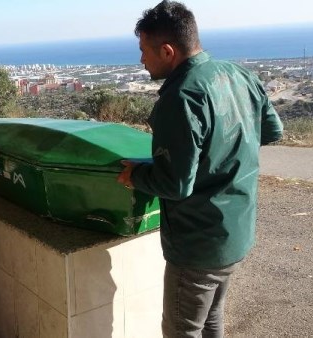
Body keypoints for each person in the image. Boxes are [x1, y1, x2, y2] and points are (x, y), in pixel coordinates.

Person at [116, 1, 284, 337]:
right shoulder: (239, 74)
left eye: (143, 50)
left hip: (198, 245)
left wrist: (134, 176)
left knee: (183, 330)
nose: (141, 60)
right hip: (236, 232)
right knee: (211, 319)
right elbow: (272, 131)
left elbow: (175, 184)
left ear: (166, 51)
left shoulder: (180, 97)